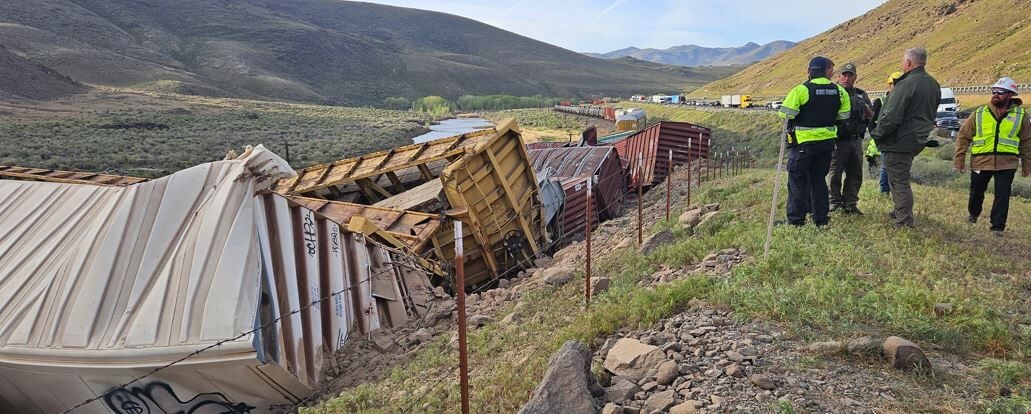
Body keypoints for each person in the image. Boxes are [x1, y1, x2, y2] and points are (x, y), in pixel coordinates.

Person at [871, 48, 940, 228]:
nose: (902, 64)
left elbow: (892, 115)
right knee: (898, 177)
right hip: (917, 139)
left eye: (903, 61)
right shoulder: (933, 84)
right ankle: (899, 211)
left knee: (899, 180)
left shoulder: (907, 84)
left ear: (908, 62)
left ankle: (904, 220)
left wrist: (878, 134)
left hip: (900, 140)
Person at [777, 56, 851, 226]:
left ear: (810, 71)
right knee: (818, 180)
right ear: (827, 72)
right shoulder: (839, 91)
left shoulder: (801, 90)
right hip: (827, 144)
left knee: (797, 181)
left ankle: (796, 221)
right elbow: (844, 116)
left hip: (803, 144)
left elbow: (785, 114)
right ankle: (821, 220)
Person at [952, 77, 1030, 235]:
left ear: (1010, 95)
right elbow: (963, 136)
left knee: (1002, 195)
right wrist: (959, 159)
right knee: (976, 192)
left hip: (1007, 163)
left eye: (1000, 92)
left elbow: (1027, 141)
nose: (995, 95)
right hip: (981, 161)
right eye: (994, 92)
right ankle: (973, 214)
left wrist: (1027, 165)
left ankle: (997, 227)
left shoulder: (1021, 115)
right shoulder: (979, 113)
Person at [828, 62, 874, 215]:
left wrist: (868, 112)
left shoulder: (861, 94)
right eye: (844, 75)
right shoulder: (832, 92)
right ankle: (834, 203)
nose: (847, 78)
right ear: (839, 76)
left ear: (855, 77)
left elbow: (871, 115)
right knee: (835, 173)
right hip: (838, 140)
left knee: (855, 173)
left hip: (856, 140)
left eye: (850, 75)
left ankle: (850, 204)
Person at [869, 71, 903, 194]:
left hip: (899, 140)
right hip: (883, 139)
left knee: (896, 168)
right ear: (889, 85)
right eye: (895, 84)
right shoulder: (881, 101)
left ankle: (894, 191)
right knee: (886, 166)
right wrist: (875, 135)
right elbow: (871, 121)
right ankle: (885, 191)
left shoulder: (904, 101)